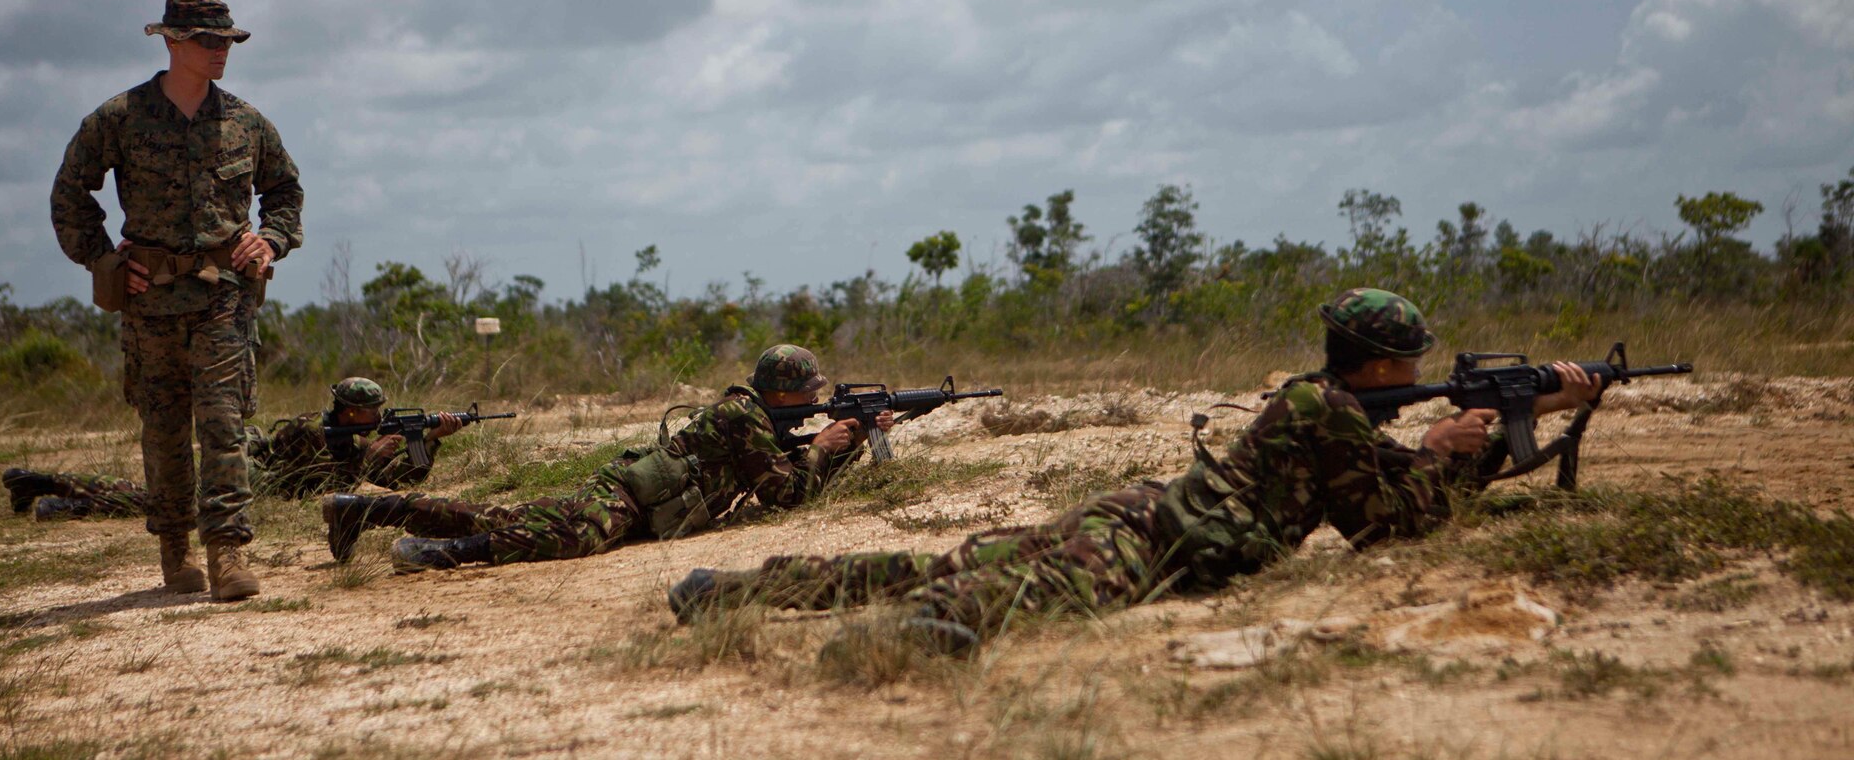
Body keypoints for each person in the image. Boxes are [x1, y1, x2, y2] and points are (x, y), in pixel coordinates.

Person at [666, 289, 1608, 654]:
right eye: (1410, 365)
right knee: (1014, 592)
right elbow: (1386, 524)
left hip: (1145, 515)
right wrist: (1472, 450)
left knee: (948, 560)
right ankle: (902, 642)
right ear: (1381, 366)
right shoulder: (1325, 413)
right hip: (1165, 541)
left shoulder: (1316, 404)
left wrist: (1453, 447)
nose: (1418, 377)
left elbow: (1375, 489)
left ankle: (739, 592)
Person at [49, 0, 302, 601]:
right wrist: (105, 260)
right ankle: (176, 550)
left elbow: (286, 194)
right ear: (171, 42)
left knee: (223, 424)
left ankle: (228, 552)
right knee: (163, 431)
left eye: (227, 42)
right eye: (208, 42)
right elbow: (70, 195)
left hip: (224, 298)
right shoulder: (119, 118)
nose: (221, 52)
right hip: (151, 304)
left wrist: (268, 241)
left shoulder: (245, 122)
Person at [320, 344, 894, 572]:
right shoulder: (743, 417)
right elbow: (786, 493)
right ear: (782, 394)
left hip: (641, 499)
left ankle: (369, 511)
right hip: (629, 495)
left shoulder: (754, 417)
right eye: (808, 393)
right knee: (576, 536)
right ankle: (440, 554)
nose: (816, 400)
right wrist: (824, 449)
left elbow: (791, 482)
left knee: (509, 519)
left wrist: (849, 444)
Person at [1, 378, 460, 519]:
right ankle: (39, 482)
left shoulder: (349, 434)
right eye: (373, 412)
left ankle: (55, 506)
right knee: (156, 500)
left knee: (152, 503)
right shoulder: (309, 432)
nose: (378, 418)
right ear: (350, 413)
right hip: (237, 481)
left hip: (247, 490)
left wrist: (430, 441)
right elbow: (366, 467)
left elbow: (398, 479)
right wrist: (398, 439)